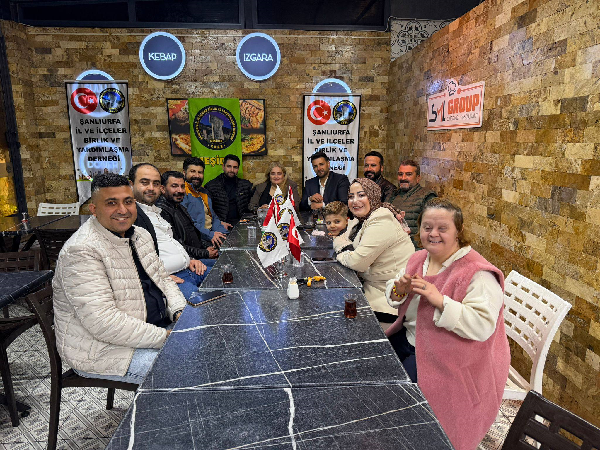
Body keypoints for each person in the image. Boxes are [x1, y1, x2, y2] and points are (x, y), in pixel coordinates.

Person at [384, 198, 509, 450]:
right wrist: (399, 290)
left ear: (458, 231)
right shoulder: (419, 258)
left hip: (452, 358)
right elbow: (395, 290)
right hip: (410, 340)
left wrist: (440, 301)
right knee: (375, 375)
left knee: (399, 402)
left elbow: (483, 325)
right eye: (427, 227)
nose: (433, 234)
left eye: (442, 228)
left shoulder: (478, 273)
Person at [52, 174, 186, 384]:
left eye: (128, 201)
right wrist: (166, 338)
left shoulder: (140, 235)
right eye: (111, 203)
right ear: (94, 209)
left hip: (153, 331)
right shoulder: (81, 251)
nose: (123, 210)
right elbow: (104, 323)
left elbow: (163, 280)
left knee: (210, 351)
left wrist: (179, 311)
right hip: (106, 351)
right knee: (188, 370)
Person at [333, 178, 414, 323]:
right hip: (372, 288)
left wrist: (340, 254)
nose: (355, 201)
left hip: (388, 300)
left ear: (373, 196)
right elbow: (341, 238)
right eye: (351, 196)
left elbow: (357, 262)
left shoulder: (381, 220)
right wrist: (345, 248)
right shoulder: (362, 219)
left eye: (361, 195)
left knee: (337, 314)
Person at [129, 163, 211, 300]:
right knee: (203, 305)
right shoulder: (130, 216)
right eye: (144, 182)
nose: (151, 188)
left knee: (229, 275)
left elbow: (172, 244)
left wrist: (190, 259)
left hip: (189, 268)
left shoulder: (155, 211)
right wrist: (158, 278)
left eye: (155, 183)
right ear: (131, 185)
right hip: (172, 279)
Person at [156, 171, 219, 265]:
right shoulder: (161, 211)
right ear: (163, 189)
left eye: (182, 186)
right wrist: (205, 253)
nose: (180, 190)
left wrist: (206, 248)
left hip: (198, 254)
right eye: (174, 186)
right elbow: (176, 246)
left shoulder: (179, 206)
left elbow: (193, 234)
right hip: (187, 261)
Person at [385, 159, 437, 248]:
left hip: (413, 249)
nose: (403, 178)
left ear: (418, 178)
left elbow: (432, 229)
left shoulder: (427, 196)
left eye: (408, 174)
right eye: (400, 174)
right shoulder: (392, 195)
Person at [181, 157, 229, 247]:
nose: (197, 175)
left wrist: (224, 234)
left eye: (200, 172)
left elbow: (212, 217)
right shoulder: (182, 193)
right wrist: (211, 235)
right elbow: (188, 223)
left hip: (211, 235)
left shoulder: (204, 192)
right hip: (197, 240)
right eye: (193, 171)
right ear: (184, 173)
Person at [204, 154, 252, 228]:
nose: (232, 170)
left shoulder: (245, 185)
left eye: (235, 167)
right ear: (223, 167)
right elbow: (207, 211)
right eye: (229, 166)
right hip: (220, 225)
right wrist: (218, 223)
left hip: (242, 224)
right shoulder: (211, 186)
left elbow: (252, 205)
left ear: (238, 169)